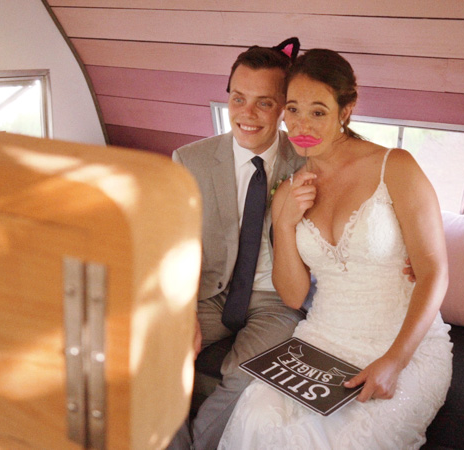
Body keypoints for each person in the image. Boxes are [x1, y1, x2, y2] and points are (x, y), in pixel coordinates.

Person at [219, 49, 453, 449]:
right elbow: (292, 294)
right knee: (256, 420)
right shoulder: (291, 189)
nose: (300, 124)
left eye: (318, 111)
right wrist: (285, 220)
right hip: (320, 341)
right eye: (292, 109)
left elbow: (434, 271)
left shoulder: (395, 167)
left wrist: (394, 362)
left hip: (400, 347)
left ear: (346, 109)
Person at [166, 38, 307, 450]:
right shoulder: (189, 160)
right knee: (158, 358)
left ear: (284, 108)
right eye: (238, 98)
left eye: (264, 103)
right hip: (206, 296)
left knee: (246, 375)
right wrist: (181, 312)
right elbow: (175, 247)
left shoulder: (307, 163)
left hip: (275, 300)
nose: (247, 114)